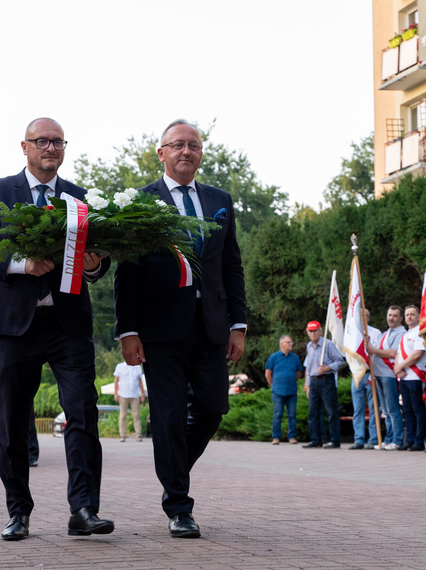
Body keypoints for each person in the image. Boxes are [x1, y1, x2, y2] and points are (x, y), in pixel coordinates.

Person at [0, 117, 112, 541]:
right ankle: (18, 512)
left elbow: (98, 256)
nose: (50, 147)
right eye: (42, 141)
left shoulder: (80, 198)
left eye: (57, 141)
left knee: (82, 411)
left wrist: (96, 263)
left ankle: (83, 509)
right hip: (13, 325)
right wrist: (21, 263)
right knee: (10, 421)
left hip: (68, 324)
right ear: (24, 147)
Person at [115, 119, 247, 539]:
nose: (185, 151)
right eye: (177, 145)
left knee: (212, 409)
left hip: (211, 325)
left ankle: (171, 466)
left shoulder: (219, 199)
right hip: (159, 330)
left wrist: (239, 324)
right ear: (162, 153)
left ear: (201, 153)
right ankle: (179, 506)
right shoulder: (140, 201)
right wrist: (127, 330)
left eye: (193, 145)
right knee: (169, 417)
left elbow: (230, 266)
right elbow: (127, 272)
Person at [366, 305, 407, 450]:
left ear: (401, 318)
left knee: (393, 408)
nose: (391, 318)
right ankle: (389, 438)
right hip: (379, 374)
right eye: (389, 315)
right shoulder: (385, 333)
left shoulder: (402, 333)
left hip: (389, 374)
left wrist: (373, 350)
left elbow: (393, 353)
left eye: (395, 316)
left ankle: (397, 440)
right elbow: (374, 352)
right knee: (386, 410)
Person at [302, 320, 344, 449]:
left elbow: (340, 361)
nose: (313, 333)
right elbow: (308, 367)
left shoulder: (328, 345)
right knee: (313, 412)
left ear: (320, 331)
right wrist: (307, 384)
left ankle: (335, 440)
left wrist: (327, 368)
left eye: (315, 330)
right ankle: (315, 440)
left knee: (331, 411)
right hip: (314, 381)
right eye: (310, 331)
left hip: (326, 380)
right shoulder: (309, 346)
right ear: (307, 332)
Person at [394, 305, 426, 451]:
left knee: (417, 410)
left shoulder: (420, 332)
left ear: (419, 316)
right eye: (407, 314)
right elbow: (397, 355)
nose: (409, 317)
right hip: (404, 378)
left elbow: (417, 354)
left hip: (415, 376)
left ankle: (419, 441)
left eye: (412, 314)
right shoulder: (405, 335)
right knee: (407, 410)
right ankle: (410, 439)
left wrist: (400, 367)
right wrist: (397, 368)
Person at [349, 309, 382, 449]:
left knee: (375, 408)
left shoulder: (375, 333)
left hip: (371, 373)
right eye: (358, 316)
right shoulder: (351, 334)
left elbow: (379, 352)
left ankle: (374, 439)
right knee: (358, 409)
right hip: (357, 374)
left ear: (368, 318)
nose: (361, 318)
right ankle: (359, 439)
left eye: (363, 316)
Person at [265, 335, 304, 445]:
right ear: (282, 343)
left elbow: (298, 373)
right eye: (289, 342)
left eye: (291, 342)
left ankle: (292, 437)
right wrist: (273, 385)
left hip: (292, 391)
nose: (291, 344)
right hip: (277, 392)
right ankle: (276, 437)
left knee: (292, 415)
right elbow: (268, 374)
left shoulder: (295, 358)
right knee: (277, 415)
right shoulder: (273, 357)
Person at [113, 361, 145, 442]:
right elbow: (116, 380)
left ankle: (138, 435)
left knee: (136, 415)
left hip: (135, 395)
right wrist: (115, 393)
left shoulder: (138, 367)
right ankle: (122, 435)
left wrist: (142, 394)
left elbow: (140, 381)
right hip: (123, 395)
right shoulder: (119, 366)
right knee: (123, 415)